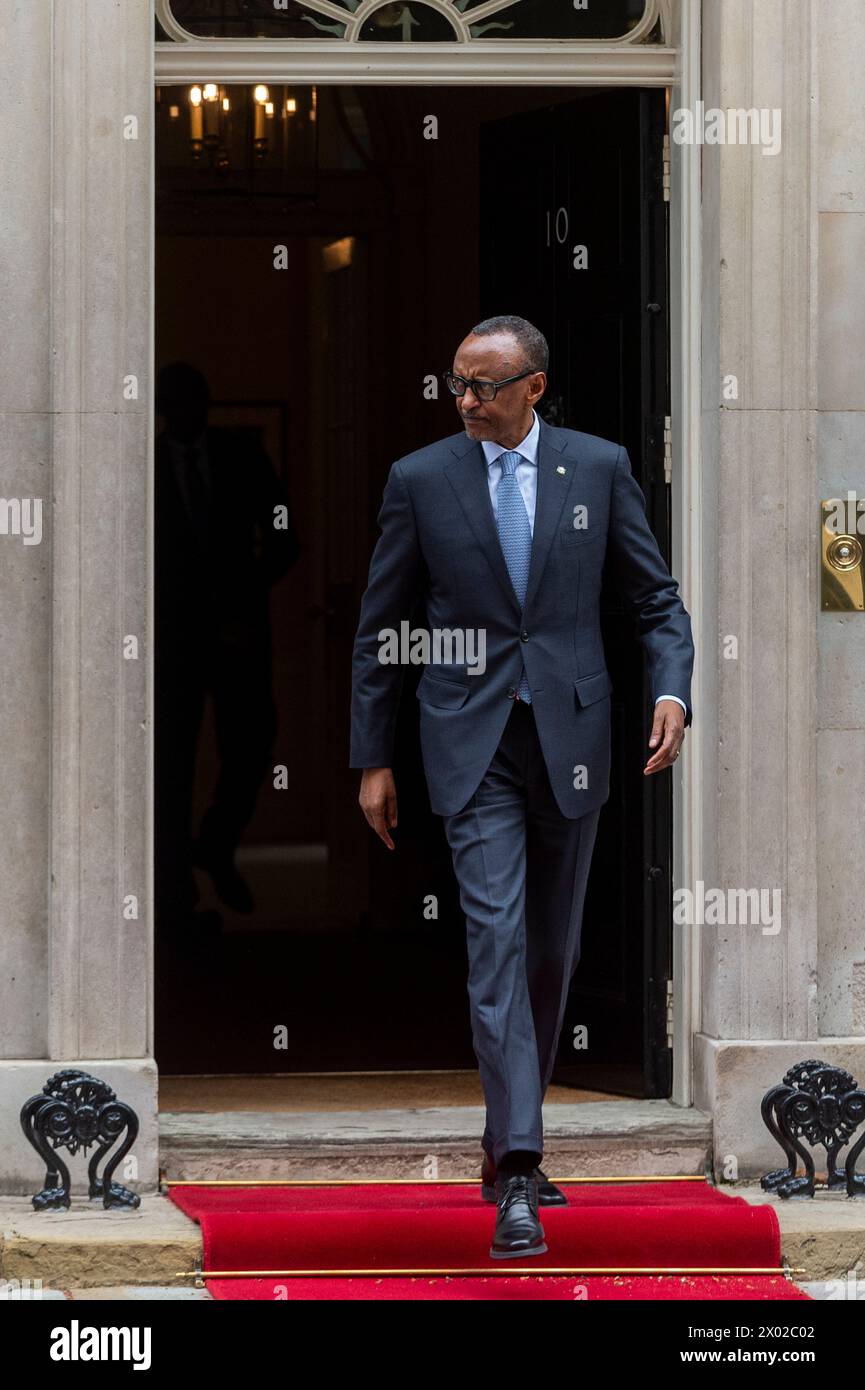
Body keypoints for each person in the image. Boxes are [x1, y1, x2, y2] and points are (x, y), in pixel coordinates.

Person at [349, 316, 694, 1258]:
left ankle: (512, 1138)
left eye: (483, 385)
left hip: (572, 736)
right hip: (469, 744)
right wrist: (372, 756)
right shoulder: (420, 480)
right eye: (456, 382)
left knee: (550, 950)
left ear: (532, 388)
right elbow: (382, 628)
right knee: (495, 943)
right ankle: (518, 1172)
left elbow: (654, 600)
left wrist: (672, 689)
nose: (464, 399)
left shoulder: (597, 466)